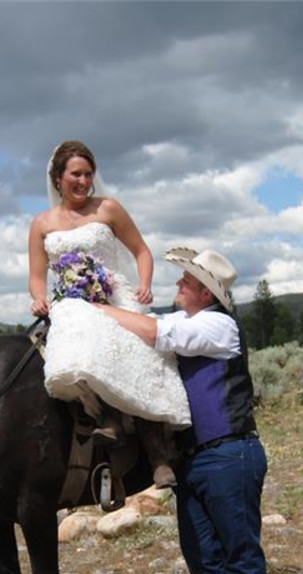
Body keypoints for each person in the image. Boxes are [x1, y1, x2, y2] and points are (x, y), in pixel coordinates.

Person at [94, 247, 267, 574]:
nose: (178, 285)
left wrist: (97, 309)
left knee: (238, 550)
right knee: (201, 550)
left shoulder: (219, 325)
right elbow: (156, 327)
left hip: (230, 453)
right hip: (198, 457)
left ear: (206, 293)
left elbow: (158, 332)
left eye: (186, 282)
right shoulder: (193, 321)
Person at [28, 140, 189, 489]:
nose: (84, 181)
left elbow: (141, 250)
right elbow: (37, 276)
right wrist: (39, 299)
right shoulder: (41, 223)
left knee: (138, 351)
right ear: (58, 178)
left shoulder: (109, 208)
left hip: (113, 294)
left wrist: (145, 283)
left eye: (88, 174)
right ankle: (107, 421)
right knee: (78, 338)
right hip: (71, 302)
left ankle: (158, 456)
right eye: (76, 174)